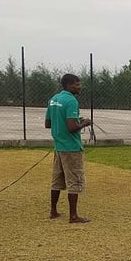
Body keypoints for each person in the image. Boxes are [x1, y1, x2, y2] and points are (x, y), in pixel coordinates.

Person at [44, 73, 92, 223]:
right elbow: (72, 127)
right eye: (77, 84)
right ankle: (73, 216)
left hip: (59, 147)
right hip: (71, 148)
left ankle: (53, 211)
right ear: (69, 85)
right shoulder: (71, 101)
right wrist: (84, 123)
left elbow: (48, 124)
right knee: (74, 181)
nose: (79, 87)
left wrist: (75, 121)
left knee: (57, 180)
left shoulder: (54, 99)